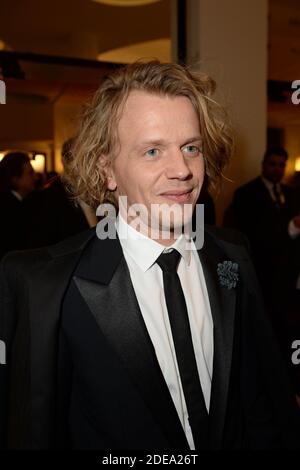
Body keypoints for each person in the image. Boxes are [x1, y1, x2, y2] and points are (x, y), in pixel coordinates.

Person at [0, 61, 299, 450]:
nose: (182, 171)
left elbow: (256, 402)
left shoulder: (232, 255)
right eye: (153, 151)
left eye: (191, 147)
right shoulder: (48, 287)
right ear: (107, 169)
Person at [230, 148, 299, 338]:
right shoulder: (246, 194)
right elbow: (247, 234)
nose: (278, 169)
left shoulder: (292, 193)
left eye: (282, 165)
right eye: (273, 164)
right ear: (263, 165)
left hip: (289, 273)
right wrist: (291, 227)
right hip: (262, 271)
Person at [0, 151, 36, 260]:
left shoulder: (24, 202)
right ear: (15, 179)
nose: (35, 177)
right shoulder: (7, 210)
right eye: (30, 173)